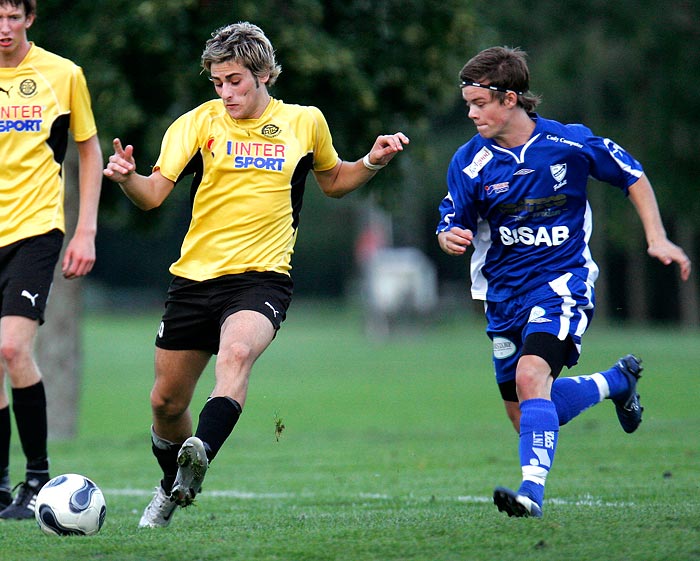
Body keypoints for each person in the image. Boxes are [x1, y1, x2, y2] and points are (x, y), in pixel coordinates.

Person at [103, 21, 409, 529]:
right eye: (218, 82)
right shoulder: (197, 124)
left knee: (237, 353)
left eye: (236, 81)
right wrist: (128, 179)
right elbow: (153, 194)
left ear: (264, 73)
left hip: (262, 278)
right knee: (165, 402)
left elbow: (333, 180)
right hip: (194, 279)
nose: (226, 93)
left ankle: (203, 448)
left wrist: (372, 162)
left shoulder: (305, 122)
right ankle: (171, 483)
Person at [436, 46, 691, 518]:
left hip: (561, 283)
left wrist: (657, 237)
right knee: (527, 414)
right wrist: (449, 235)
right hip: (502, 295)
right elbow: (453, 215)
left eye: (479, 103)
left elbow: (632, 175)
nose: (471, 114)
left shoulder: (568, 144)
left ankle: (531, 493)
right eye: (467, 104)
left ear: (510, 98)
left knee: (533, 377)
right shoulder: (470, 161)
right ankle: (616, 382)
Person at [0, 0, 102, 519]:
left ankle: (37, 479)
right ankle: (0, 488)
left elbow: (88, 148)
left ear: (30, 19)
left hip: (35, 230)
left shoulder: (63, 75)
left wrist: (85, 229)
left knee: (13, 349)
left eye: (13, 16)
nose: (4, 28)